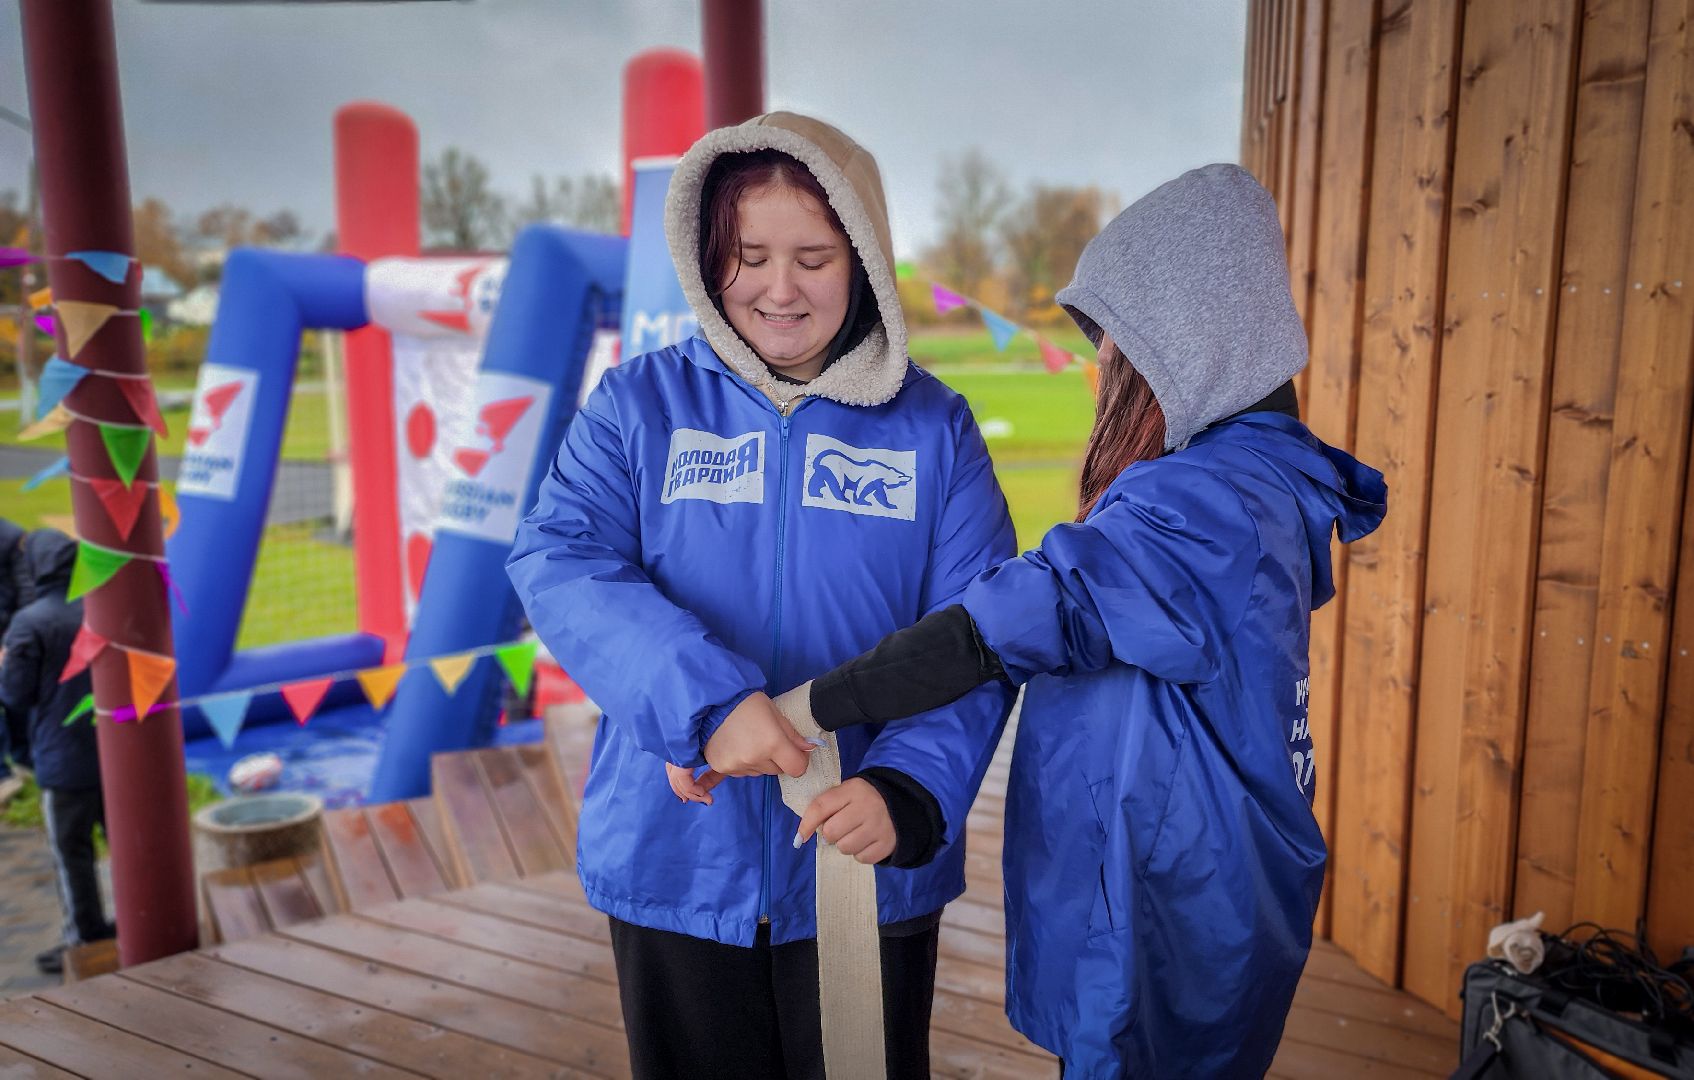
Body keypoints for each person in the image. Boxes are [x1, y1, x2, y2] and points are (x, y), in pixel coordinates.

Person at [771, 164, 1388, 1077]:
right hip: (1203, 883)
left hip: (1162, 905)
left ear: (1185, 344)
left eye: (1115, 345)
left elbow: (1001, 622)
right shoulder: (1260, 481)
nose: (1100, 371)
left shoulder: (1198, 507)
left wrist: (803, 709)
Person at [506, 112, 1016, 1079]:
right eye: (749, 258)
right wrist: (706, 704)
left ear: (864, 261)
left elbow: (981, 632)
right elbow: (562, 560)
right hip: (677, 855)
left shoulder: (934, 429)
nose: (780, 290)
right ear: (708, 260)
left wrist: (908, 790)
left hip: (862, 858)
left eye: (814, 259)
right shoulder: (638, 406)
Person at [0, 528, 112, 975]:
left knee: (72, 854)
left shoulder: (29, 623)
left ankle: (84, 936)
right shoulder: (103, 610)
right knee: (124, 844)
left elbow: (15, 695)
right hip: (114, 755)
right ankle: (140, 918)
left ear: (37, 568)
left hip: (63, 761)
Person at [0, 517, 31, 785]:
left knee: (16, 698)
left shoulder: (11, 537)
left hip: (8, 633)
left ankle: (22, 760)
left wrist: (9, 642)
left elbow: (27, 592)